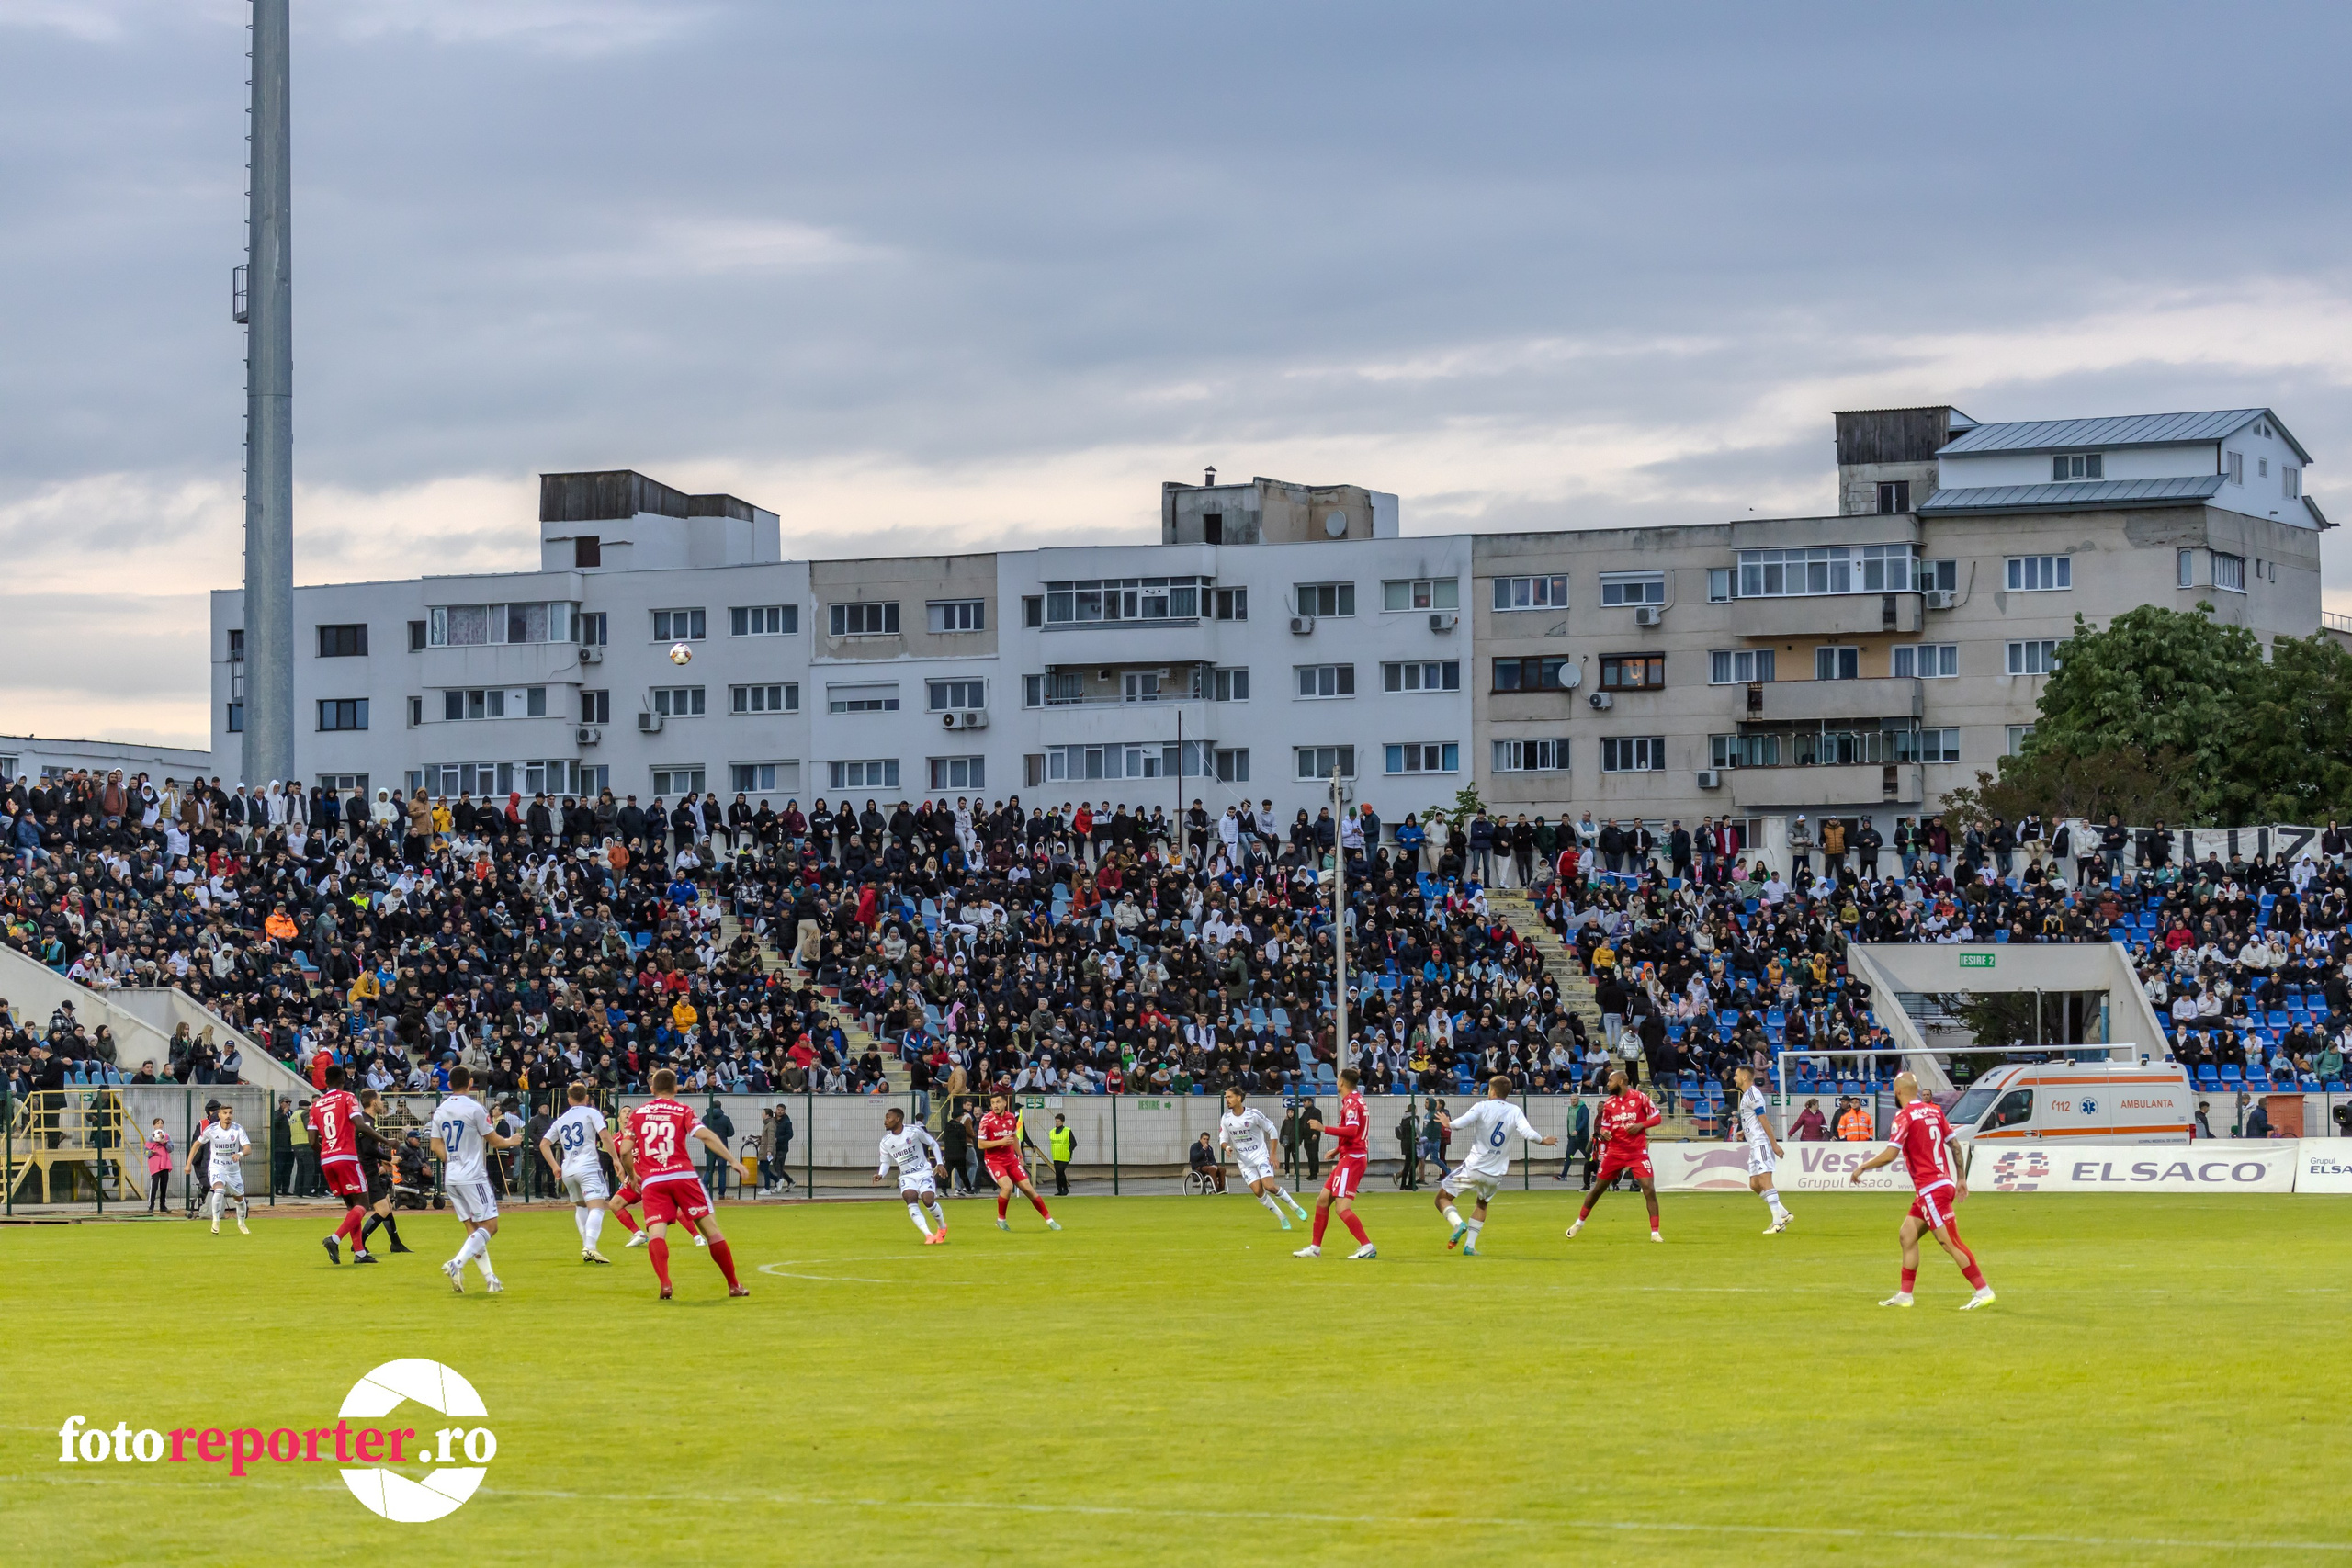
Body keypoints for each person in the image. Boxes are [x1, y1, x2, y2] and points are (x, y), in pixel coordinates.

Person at [1848, 1071, 1995, 1311]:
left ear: (1897, 1092)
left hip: (1930, 1189)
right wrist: (1961, 1179)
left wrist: (1863, 1166)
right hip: (1942, 1184)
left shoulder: (1904, 1116)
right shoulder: (1935, 1111)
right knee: (1907, 1235)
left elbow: (1890, 1154)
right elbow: (1955, 1145)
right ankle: (1905, 1295)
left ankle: (1983, 1290)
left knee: (1949, 1242)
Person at [623, 1067, 751, 1300]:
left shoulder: (639, 1113)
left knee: (657, 1233)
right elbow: (706, 1136)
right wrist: (733, 1161)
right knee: (711, 1231)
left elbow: (624, 1151)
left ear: (652, 1088)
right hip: (683, 1176)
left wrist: (632, 1175)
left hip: (653, 1180)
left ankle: (665, 1283)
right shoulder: (682, 1110)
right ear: (676, 1088)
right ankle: (733, 1285)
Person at [1433, 1077, 1558, 1255]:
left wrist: (1448, 1124)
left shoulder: (1482, 1106)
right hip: (1495, 1174)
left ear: (1492, 1091)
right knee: (1482, 1205)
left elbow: (1461, 1124)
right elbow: (1528, 1133)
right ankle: (1470, 1246)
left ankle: (1458, 1224)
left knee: (1441, 1199)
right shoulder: (1515, 1111)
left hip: (1474, 1168)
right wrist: (1543, 1141)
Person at [431, 1064, 522, 1294]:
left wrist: (451, 1161)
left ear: (449, 1085)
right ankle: (456, 1263)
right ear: (470, 1083)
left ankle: (491, 1279)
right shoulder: (475, 1108)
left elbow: (435, 1145)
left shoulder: (440, 1110)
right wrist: (512, 1140)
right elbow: (496, 1141)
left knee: (474, 1231)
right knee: (490, 1226)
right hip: (473, 1175)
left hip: (452, 1176)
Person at [1566, 1068, 1663, 1242]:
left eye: (1610, 1081)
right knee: (1597, 1189)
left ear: (1621, 1082)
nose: (1607, 1084)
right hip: (1615, 1153)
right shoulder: (1609, 1103)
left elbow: (1657, 1118)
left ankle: (1655, 1233)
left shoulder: (1640, 1098)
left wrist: (1641, 1125)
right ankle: (1579, 1222)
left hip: (1637, 1153)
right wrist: (1604, 1132)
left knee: (1649, 1188)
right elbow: (1605, 1126)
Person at [1293, 1066, 1376, 1260]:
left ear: (1341, 1082)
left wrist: (1323, 1128)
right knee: (1322, 1200)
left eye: (1337, 1078)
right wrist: (1338, 1149)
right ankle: (1315, 1248)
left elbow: (1353, 1131)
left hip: (1353, 1160)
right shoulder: (1353, 1101)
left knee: (1342, 1208)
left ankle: (1367, 1245)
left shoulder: (1352, 1103)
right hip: (1348, 1156)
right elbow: (1356, 1132)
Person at [539, 1083, 616, 1264]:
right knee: (597, 1207)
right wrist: (615, 1159)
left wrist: (554, 1166)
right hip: (588, 1165)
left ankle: (588, 1247)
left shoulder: (561, 1119)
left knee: (581, 1206)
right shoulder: (592, 1113)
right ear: (587, 1098)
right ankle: (590, 1247)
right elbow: (604, 1136)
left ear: (569, 1099)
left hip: (568, 1168)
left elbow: (544, 1144)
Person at [1219, 1088, 1309, 1230]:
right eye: (1226, 1097)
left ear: (1238, 1098)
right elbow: (1222, 1139)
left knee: (1269, 1186)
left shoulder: (1253, 1114)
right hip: (1244, 1162)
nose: (1227, 1100)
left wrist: (1273, 1154)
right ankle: (1282, 1217)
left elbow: (1272, 1129)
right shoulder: (1226, 1118)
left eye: (1230, 1097)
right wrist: (1227, 1148)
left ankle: (1294, 1206)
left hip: (1260, 1156)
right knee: (1257, 1191)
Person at [310, 1066, 373, 1264]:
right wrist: (388, 1142)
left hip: (327, 1159)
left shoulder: (316, 1104)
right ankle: (335, 1238)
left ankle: (360, 1253)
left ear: (326, 1081)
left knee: (352, 1208)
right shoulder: (347, 1097)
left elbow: (312, 1141)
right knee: (363, 1204)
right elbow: (360, 1125)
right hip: (346, 1157)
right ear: (343, 1079)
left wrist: (327, 1150)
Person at [978, 1091, 1060, 1231]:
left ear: (1005, 1103)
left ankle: (1050, 1220)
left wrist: (1020, 1156)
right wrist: (1001, 1142)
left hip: (1011, 1159)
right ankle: (1001, 1220)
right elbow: (981, 1144)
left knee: (1028, 1189)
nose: (995, 1106)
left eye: (998, 1102)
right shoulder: (986, 1120)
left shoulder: (1011, 1118)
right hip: (994, 1161)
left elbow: (1015, 1138)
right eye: (993, 1103)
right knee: (1008, 1187)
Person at [872, 1106, 950, 1244]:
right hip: (906, 1176)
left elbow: (933, 1144)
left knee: (928, 1201)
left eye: (888, 1118)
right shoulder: (885, 1142)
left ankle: (942, 1227)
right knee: (910, 1198)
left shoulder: (914, 1131)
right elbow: (885, 1162)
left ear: (898, 1119)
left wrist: (940, 1163)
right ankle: (928, 1235)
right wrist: (880, 1174)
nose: (885, 1121)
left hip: (923, 1171)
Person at [1733, 1064, 1793, 1235]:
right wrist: (1743, 1132)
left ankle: (1777, 1223)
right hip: (1754, 1144)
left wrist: (1774, 1144)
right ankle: (1784, 1213)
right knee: (1754, 1184)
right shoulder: (1747, 1096)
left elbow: (1764, 1119)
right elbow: (1755, 1120)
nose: (1734, 1077)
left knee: (1766, 1182)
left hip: (1761, 1144)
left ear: (1745, 1077)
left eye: (1737, 1075)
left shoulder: (1753, 1094)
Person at [352, 1090, 411, 1258]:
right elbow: (367, 1149)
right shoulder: (365, 1121)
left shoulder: (368, 1120)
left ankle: (396, 1243)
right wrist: (389, 1158)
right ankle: (358, 1243)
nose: (382, 1102)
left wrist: (383, 1161)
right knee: (383, 1209)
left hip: (371, 1168)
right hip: (367, 1171)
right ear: (373, 1102)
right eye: (380, 1099)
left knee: (387, 1206)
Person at [187, 1101, 252, 1235]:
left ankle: (241, 1223)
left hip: (233, 1170)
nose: (228, 1116)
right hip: (216, 1166)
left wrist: (239, 1154)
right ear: (219, 1115)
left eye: (230, 1113)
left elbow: (247, 1148)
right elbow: (196, 1144)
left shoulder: (238, 1129)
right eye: (225, 1113)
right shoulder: (211, 1129)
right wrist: (188, 1164)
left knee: (240, 1200)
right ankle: (215, 1221)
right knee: (219, 1190)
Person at [143, 1116, 174, 1213]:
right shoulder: (150, 1138)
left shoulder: (167, 1137)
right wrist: (151, 1152)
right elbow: (145, 1153)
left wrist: (164, 1144)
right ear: (154, 1126)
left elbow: (171, 1149)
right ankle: (151, 1206)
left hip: (165, 1163)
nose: (160, 1125)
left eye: (161, 1123)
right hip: (155, 1164)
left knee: (164, 1185)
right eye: (157, 1123)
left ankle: (163, 1206)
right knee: (154, 1185)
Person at [1048, 1113, 1076, 1197]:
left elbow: (1073, 1143)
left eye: (1059, 1121)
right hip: (1056, 1156)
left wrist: (1069, 1151)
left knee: (1060, 1171)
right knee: (1057, 1173)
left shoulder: (1067, 1131)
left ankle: (1065, 1189)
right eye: (1056, 1121)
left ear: (1062, 1122)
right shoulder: (1052, 1131)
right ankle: (1059, 1190)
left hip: (1064, 1156)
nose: (1057, 1123)